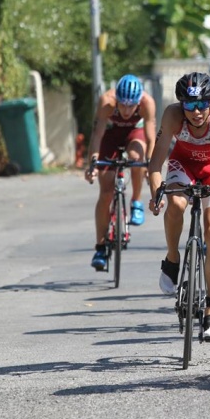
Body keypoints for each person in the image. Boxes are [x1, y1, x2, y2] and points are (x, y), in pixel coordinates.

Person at [148, 72, 210, 342]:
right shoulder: (172, 115)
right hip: (184, 165)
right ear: (181, 105)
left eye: (202, 104)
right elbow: (156, 163)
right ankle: (172, 259)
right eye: (189, 106)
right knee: (176, 204)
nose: (196, 112)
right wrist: (156, 191)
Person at [85, 74, 156, 271]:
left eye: (130, 105)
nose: (125, 110)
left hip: (136, 133)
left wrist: (151, 166)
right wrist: (92, 164)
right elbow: (97, 134)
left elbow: (151, 138)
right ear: (116, 99)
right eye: (122, 105)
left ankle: (136, 201)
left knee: (136, 156)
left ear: (138, 101)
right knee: (106, 190)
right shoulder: (107, 102)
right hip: (111, 134)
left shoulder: (146, 103)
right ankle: (100, 246)